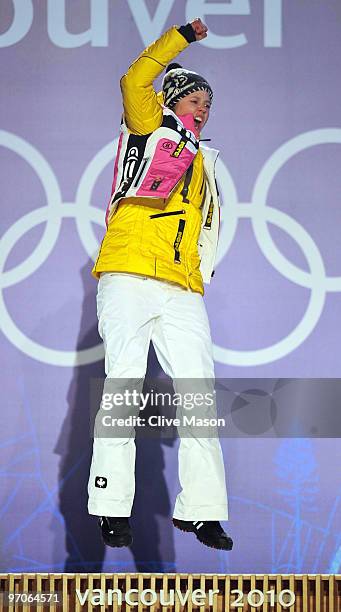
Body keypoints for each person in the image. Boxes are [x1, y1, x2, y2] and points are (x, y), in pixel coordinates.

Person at [87, 18, 233, 551]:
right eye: (196, 99)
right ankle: (109, 505)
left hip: (180, 287)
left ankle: (204, 510)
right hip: (128, 273)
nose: (204, 108)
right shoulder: (148, 124)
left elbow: (208, 226)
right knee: (123, 389)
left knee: (198, 396)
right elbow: (134, 79)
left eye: (208, 104)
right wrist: (181, 37)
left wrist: (199, 276)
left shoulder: (207, 160)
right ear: (173, 100)